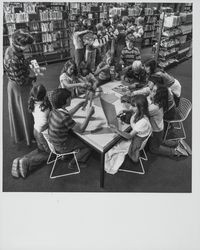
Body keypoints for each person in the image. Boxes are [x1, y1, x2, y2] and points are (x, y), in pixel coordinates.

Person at [4, 29, 45, 146]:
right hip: (19, 87)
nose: (28, 48)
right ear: (19, 44)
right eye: (27, 46)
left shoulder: (13, 50)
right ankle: (28, 136)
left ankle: (28, 134)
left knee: (25, 110)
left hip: (19, 84)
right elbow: (21, 80)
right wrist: (33, 77)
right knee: (26, 111)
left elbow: (23, 62)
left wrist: (34, 67)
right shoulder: (13, 58)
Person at [11, 84, 52, 178]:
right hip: (43, 133)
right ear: (45, 95)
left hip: (35, 131)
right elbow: (47, 124)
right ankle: (28, 162)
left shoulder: (32, 103)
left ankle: (21, 160)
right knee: (49, 153)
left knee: (41, 150)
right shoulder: (46, 108)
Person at [105, 95, 152, 175]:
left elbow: (129, 136)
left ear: (140, 108)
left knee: (110, 145)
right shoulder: (139, 112)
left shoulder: (142, 122)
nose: (131, 107)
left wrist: (117, 130)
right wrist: (125, 111)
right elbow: (132, 111)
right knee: (114, 139)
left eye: (133, 106)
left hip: (136, 141)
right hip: (136, 137)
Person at [48, 88, 95, 168]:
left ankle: (65, 156)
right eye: (69, 98)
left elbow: (68, 114)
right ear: (65, 101)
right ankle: (73, 163)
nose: (71, 99)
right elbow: (81, 130)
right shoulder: (64, 117)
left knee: (74, 136)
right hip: (62, 145)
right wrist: (89, 115)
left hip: (54, 141)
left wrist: (78, 105)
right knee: (88, 146)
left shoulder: (55, 110)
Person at [148, 83, 189, 157]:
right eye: (152, 90)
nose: (151, 92)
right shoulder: (160, 102)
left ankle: (175, 151)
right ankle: (176, 143)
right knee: (160, 141)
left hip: (156, 130)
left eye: (153, 91)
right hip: (160, 128)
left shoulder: (154, 107)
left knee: (154, 148)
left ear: (158, 95)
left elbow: (143, 112)